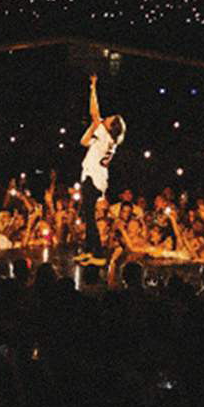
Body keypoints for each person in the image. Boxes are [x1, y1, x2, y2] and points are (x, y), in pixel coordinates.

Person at [75, 74, 125, 267]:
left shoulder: (105, 137)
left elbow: (94, 112)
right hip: (95, 178)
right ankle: (88, 250)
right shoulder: (106, 140)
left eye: (109, 119)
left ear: (111, 126)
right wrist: (93, 126)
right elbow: (84, 141)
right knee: (87, 215)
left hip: (93, 179)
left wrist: (93, 87)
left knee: (89, 216)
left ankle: (98, 252)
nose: (106, 118)